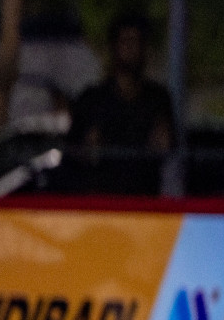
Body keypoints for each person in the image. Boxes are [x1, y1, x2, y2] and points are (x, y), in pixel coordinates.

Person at [66, 14, 172, 195]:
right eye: (126, 41)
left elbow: (169, 149)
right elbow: (73, 153)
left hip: (146, 201)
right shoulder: (92, 99)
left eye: (138, 42)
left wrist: (162, 144)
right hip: (101, 202)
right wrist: (89, 150)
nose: (132, 49)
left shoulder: (158, 98)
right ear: (114, 46)